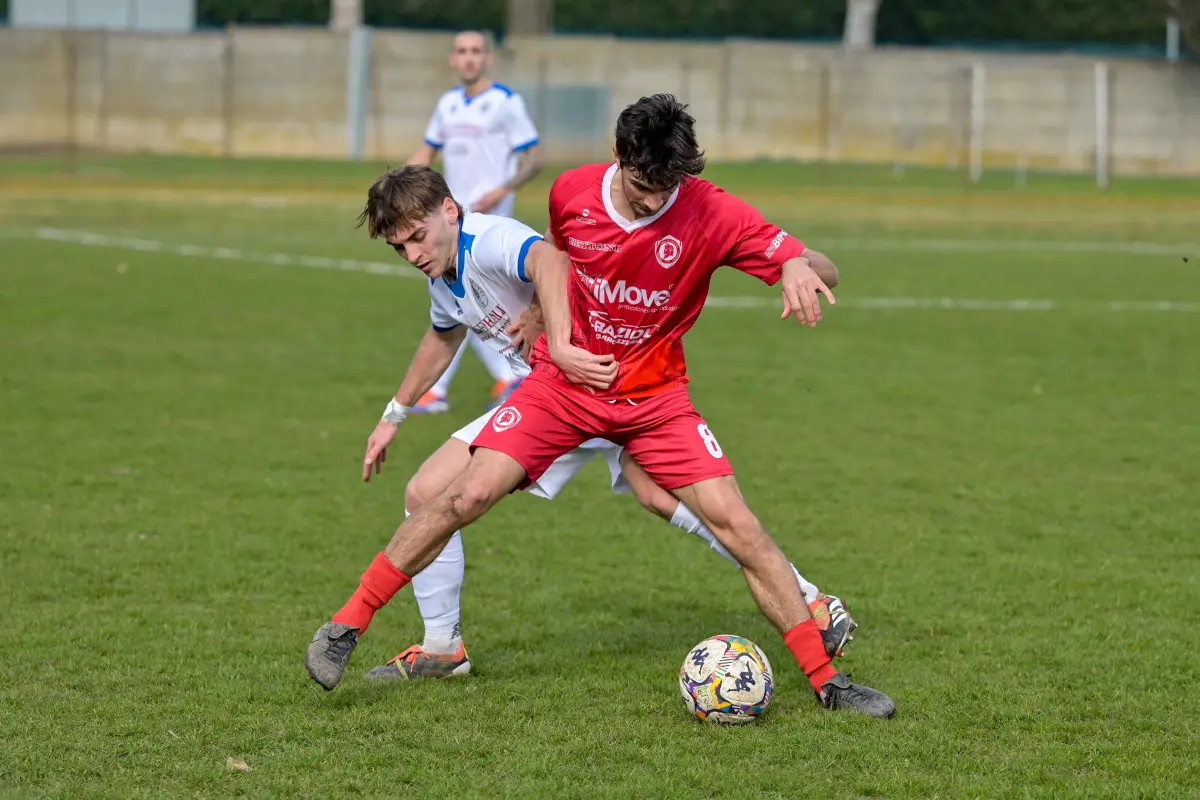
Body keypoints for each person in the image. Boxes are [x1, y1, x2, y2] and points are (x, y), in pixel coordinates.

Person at [308, 95, 895, 718]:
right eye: (643, 185)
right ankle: (348, 626)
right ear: (619, 158)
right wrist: (548, 326)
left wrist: (799, 268)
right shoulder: (572, 192)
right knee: (460, 494)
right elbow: (557, 257)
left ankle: (830, 682)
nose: (653, 200)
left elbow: (824, 268)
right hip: (564, 393)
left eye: (669, 185)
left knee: (738, 524)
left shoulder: (712, 212)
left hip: (655, 399)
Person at [406, 29, 545, 414]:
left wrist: (503, 189)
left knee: (471, 303)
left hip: (489, 225)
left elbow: (535, 157)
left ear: (488, 58)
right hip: (447, 224)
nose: (469, 58)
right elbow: (427, 151)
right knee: (463, 302)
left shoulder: (505, 103)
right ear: (452, 58)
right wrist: (394, 187)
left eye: (476, 51)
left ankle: (499, 378)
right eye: (462, 51)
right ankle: (503, 377)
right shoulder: (448, 104)